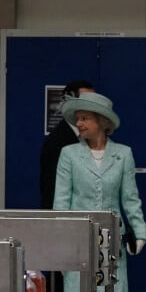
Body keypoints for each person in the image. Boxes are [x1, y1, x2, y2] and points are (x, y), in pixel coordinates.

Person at [53, 92, 146, 292]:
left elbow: (130, 198)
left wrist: (139, 231)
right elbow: (61, 201)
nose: (80, 124)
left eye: (85, 118)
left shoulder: (123, 154)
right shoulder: (69, 154)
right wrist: (60, 237)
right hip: (78, 238)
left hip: (110, 239)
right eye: (78, 119)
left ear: (102, 122)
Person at [39, 80, 94, 292]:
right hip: (65, 223)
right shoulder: (58, 142)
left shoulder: (89, 139)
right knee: (63, 286)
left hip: (85, 224)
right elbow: (53, 190)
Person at [39, 79, 94, 210]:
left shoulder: (92, 137)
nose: (92, 107)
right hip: (67, 220)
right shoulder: (57, 142)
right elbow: (52, 189)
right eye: (86, 101)